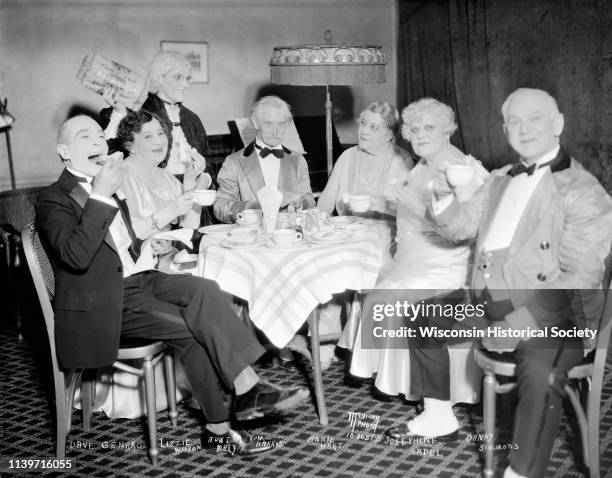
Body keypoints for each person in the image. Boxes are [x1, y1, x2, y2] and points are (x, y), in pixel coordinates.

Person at [36, 115, 310, 456]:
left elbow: (122, 243)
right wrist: (103, 195)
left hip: (138, 279)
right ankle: (221, 425)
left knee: (206, 289)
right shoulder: (54, 198)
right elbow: (76, 256)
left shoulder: (104, 185)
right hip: (102, 303)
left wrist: (147, 244)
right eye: (83, 136)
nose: (95, 141)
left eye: (97, 134)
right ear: (63, 150)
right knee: (190, 328)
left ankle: (246, 388)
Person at [383, 88, 612, 478]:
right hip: (492, 298)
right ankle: (439, 414)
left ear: (557, 124)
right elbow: (463, 227)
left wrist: (519, 322)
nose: (524, 130)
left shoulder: (582, 189)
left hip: (555, 311)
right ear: (505, 129)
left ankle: (520, 472)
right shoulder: (501, 178)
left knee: (542, 371)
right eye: (514, 122)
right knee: (424, 318)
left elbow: (580, 278)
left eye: (535, 119)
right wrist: (442, 198)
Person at [349, 98, 487, 402]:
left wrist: (415, 206)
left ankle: (411, 387)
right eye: (414, 128)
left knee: (392, 297)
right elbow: (410, 212)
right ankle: (392, 379)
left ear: (448, 130)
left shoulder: (464, 171)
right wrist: (381, 204)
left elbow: (467, 233)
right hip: (414, 259)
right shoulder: (424, 165)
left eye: (429, 127)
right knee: (376, 292)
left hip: (446, 267)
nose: (420, 134)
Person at [101, 51, 213, 223]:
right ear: (159, 79)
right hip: (151, 200)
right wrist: (118, 112)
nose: (185, 84)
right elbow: (109, 155)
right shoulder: (137, 111)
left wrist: (204, 179)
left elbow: (208, 161)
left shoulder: (192, 119)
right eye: (178, 77)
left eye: (187, 78)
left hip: (192, 198)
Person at [213, 95, 315, 223]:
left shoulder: (298, 160)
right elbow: (220, 207)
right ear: (255, 123)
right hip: (250, 237)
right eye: (268, 124)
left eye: (281, 125)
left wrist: (300, 204)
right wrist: (251, 207)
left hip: (288, 235)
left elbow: (309, 200)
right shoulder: (234, 162)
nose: (275, 132)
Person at [317, 101, 413, 216]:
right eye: (363, 123)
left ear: (388, 135)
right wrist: (322, 217)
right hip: (346, 232)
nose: (364, 131)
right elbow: (327, 197)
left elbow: (409, 212)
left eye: (373, 127)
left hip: (385, 233)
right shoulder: (347, 156)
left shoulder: (402, 162)